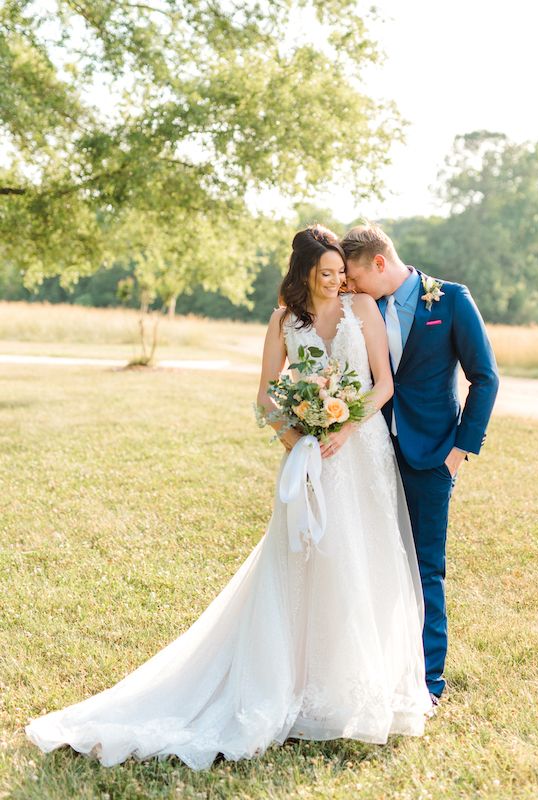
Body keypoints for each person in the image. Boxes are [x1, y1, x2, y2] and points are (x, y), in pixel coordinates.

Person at [25, 225, 432, 771]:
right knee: (305, 559)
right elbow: (265, 396)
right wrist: (298, 440)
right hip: (309, 457)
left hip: (361, 451)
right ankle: (288, 681)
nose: (337, 282)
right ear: (305, 274)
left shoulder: (364, 310)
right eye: (326, 274)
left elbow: (382, 384)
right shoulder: (285, 321)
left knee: (361, 560)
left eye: (341, 273)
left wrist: (345, 428)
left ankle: (349, 689)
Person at [341, 223, 499, 704]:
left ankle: (428, 683)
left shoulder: (450, 299)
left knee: (426, 569)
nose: (349, 285)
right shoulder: (360, 308)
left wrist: (458, 452)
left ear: (379, 264)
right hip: (371, 456)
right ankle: (378, 669)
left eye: (353, 276)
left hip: (432, 457)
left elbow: (485, 378)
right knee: (375, 564)